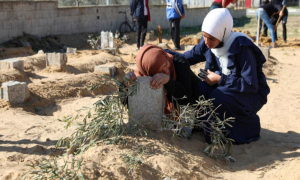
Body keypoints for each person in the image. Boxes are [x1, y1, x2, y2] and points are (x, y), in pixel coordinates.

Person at [166, 8, 270, 144]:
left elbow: (250, 84)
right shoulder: (207, 42)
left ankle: (240, 131)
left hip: (249, 94)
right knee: (201, 89)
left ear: (224, 32)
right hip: (225, 88)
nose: (207, 41)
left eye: (211, 38)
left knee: (217, 98)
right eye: (204, 36)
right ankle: (203, 126)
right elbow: (185, 59)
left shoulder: (241, 47)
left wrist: (220, 79)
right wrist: (164, 54)